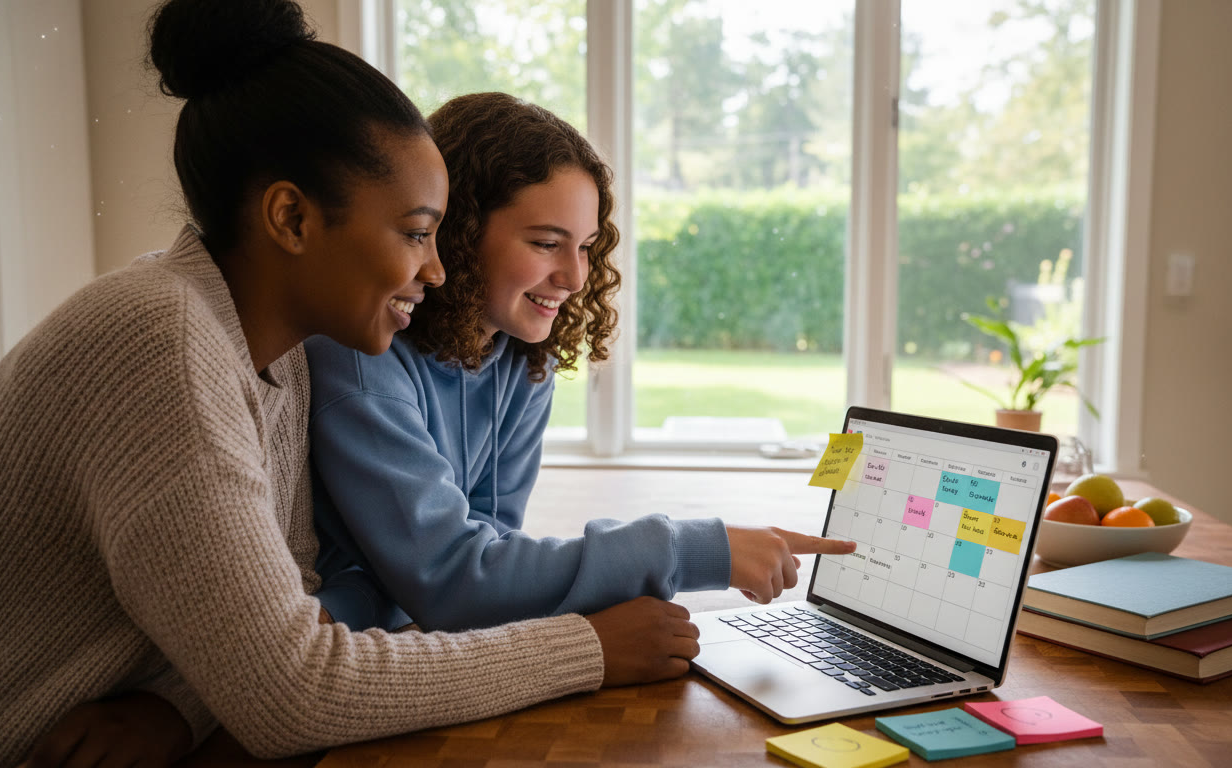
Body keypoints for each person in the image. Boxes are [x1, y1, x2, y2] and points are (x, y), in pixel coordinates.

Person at [0, 3, 698, 765]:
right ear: (290, 218)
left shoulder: (274, 357)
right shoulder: (163, 341)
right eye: (417, 232)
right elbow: (298, 691)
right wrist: (585, 649)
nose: (438, 270)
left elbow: (286, 603)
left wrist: (178, 706)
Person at [306, 92, 856, 635]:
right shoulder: (363, 363)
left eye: (587, 246)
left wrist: (387, 596)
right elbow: (455, 581)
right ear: (459, 232)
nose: (574, 278)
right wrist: (694, 550)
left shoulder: (521, 362)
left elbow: (489, 550)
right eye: (547, 243)